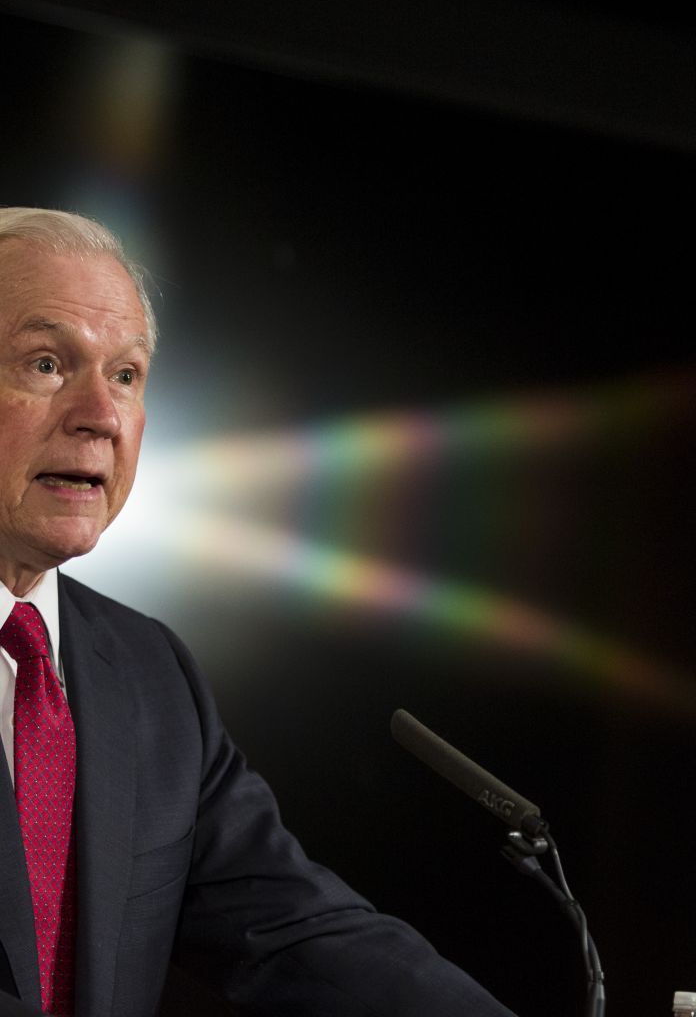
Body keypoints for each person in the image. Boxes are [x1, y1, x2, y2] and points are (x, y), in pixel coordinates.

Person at [0, 207, 517, 1017]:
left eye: (127, 376)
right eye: (45, 362)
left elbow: (295, 932)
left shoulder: (149, 676)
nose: (99, 415)